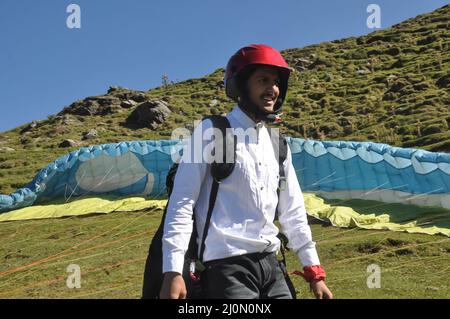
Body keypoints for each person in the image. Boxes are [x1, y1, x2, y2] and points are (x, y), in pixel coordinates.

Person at [160, 44, 333, 299]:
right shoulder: (212, 132)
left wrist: (313, 270)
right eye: (263, 79)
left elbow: (293, 212)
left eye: (276, 82)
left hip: (273, 267)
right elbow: (182, 202)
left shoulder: (278, 145)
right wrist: (173, 272)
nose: (272, 88)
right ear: (241, 85)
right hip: (227, 270)